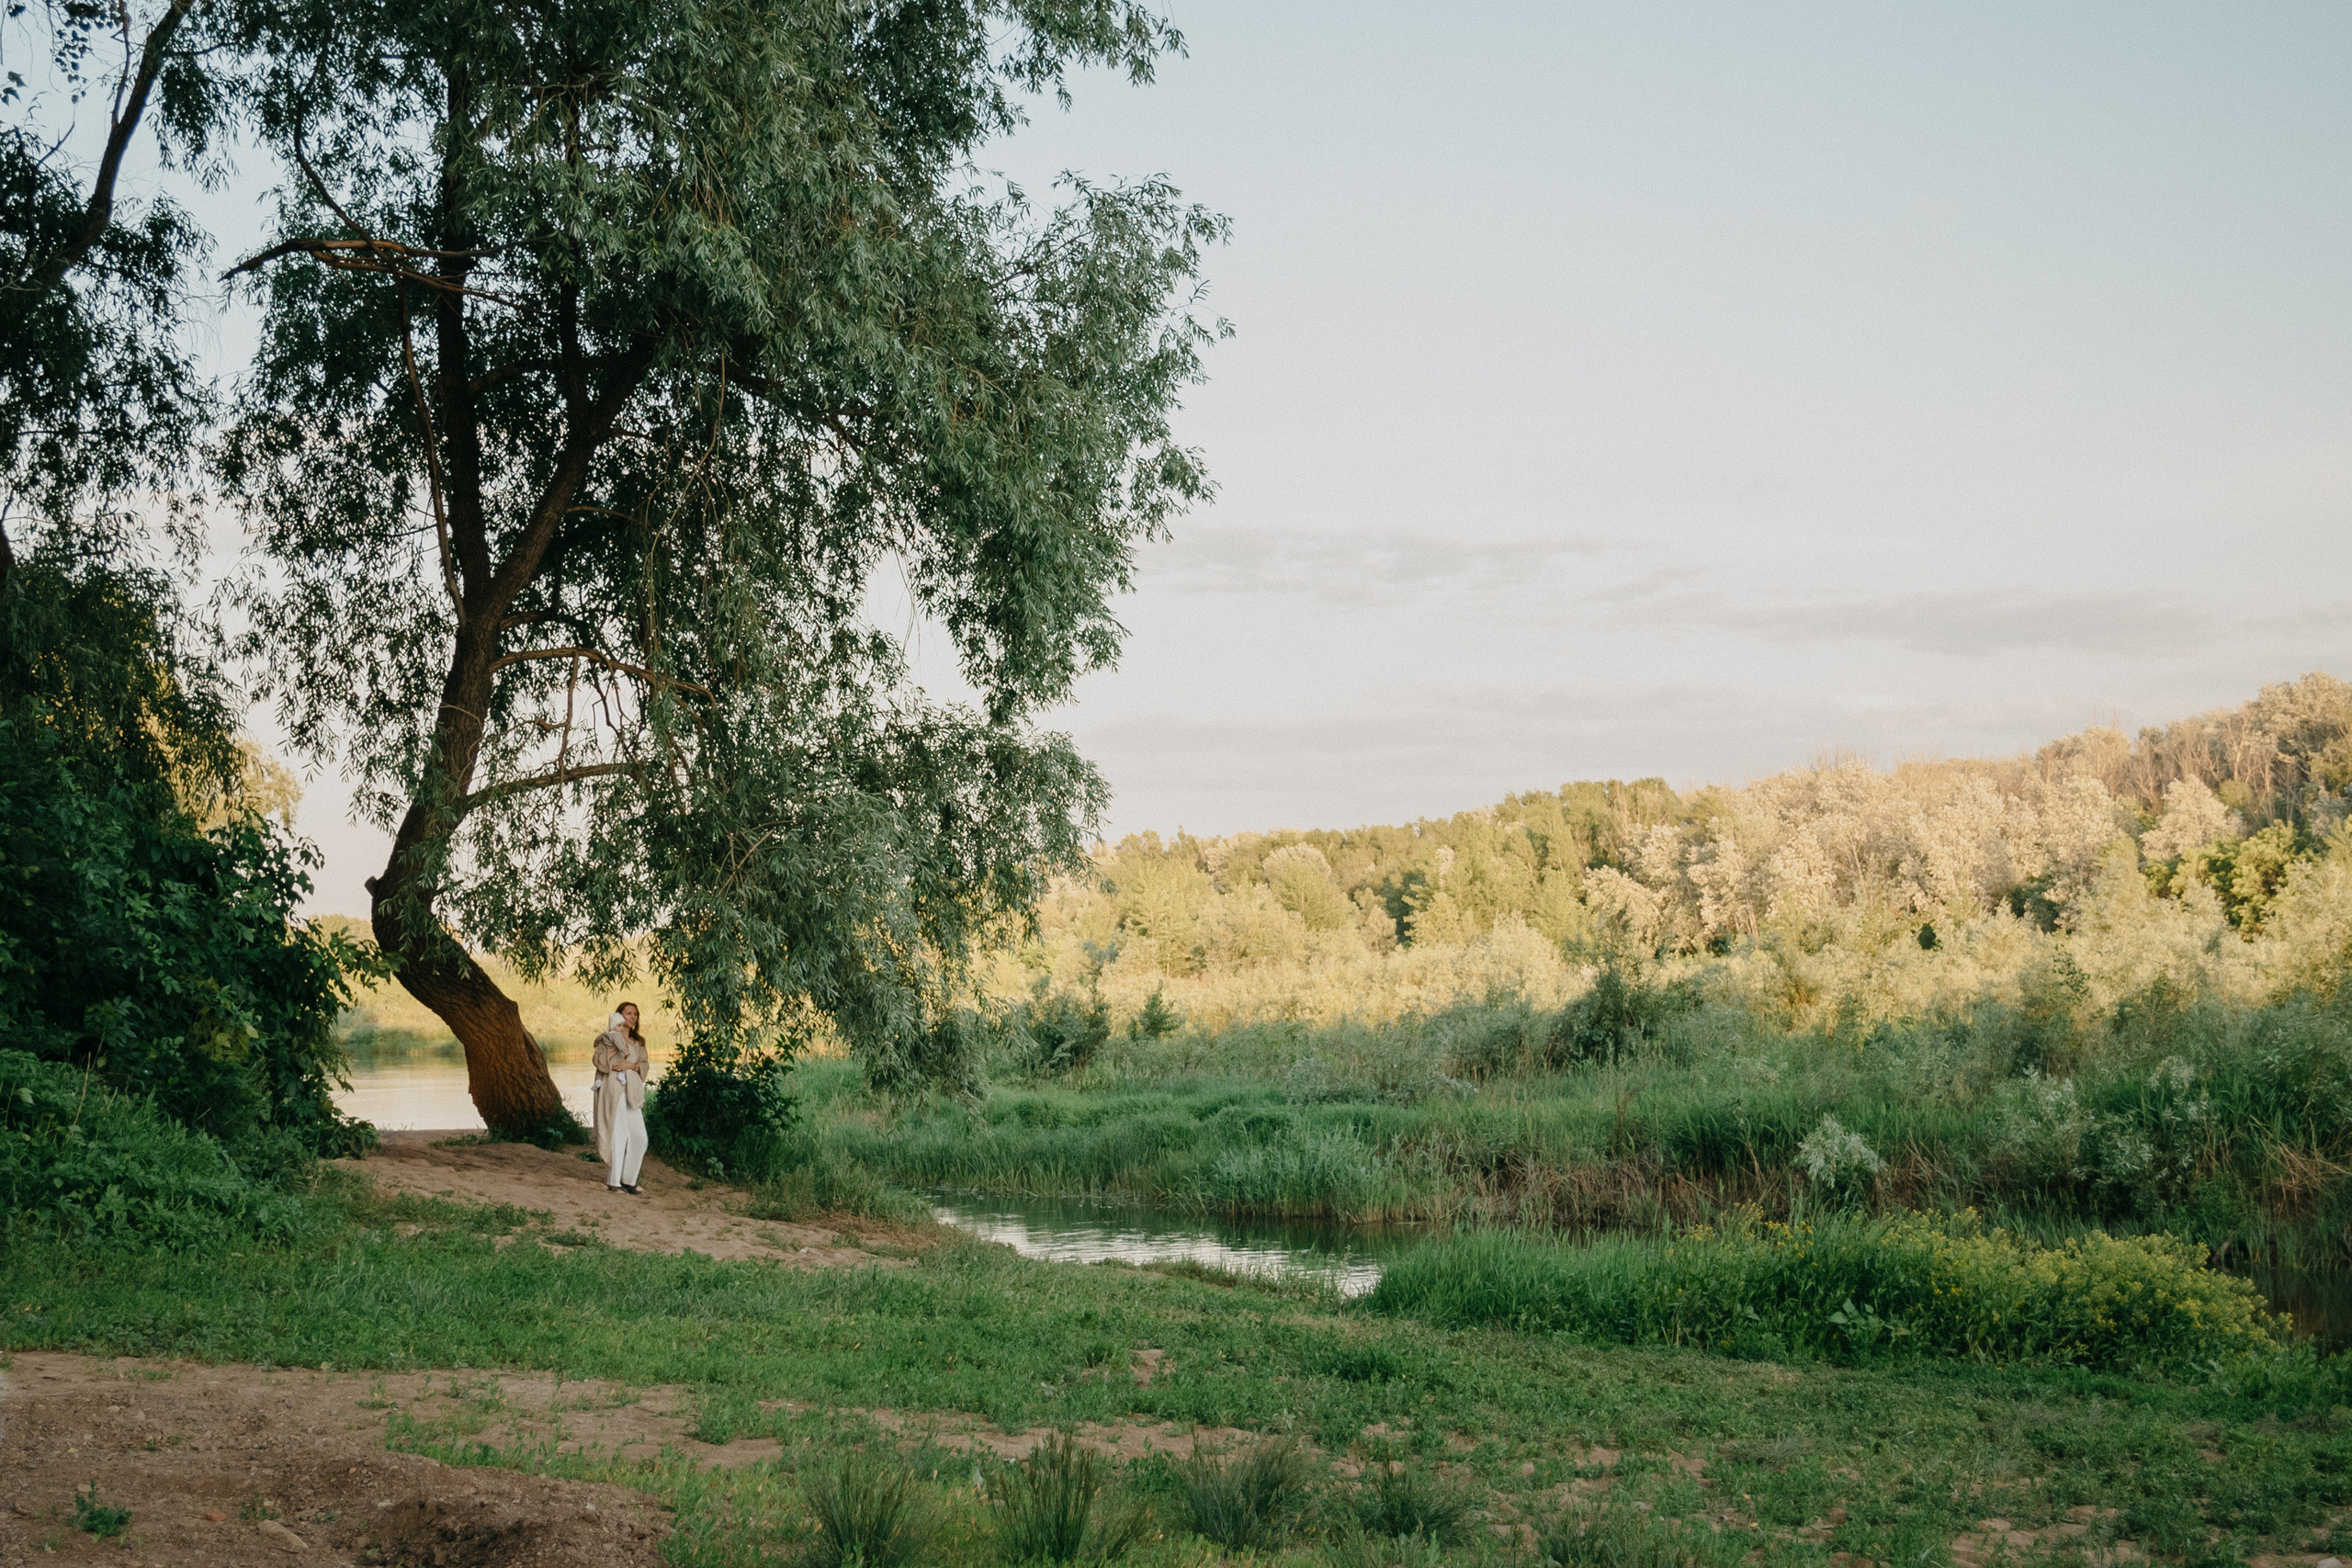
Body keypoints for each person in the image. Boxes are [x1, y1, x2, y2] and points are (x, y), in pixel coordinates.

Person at [593, 1002, 651, 1194]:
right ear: (619, 1016)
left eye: (635, 1014)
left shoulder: (638, 1042)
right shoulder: (608, 1038)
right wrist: (614, 1050)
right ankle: (614, 1181)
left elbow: (644, 1065)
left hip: (632, 1091)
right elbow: (599, 1061)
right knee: (619, 1134)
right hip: (614, 1089)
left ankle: (628, 1179)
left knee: (640, 1137)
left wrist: (630, 1065)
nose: (632, 1017)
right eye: (628, 1013)